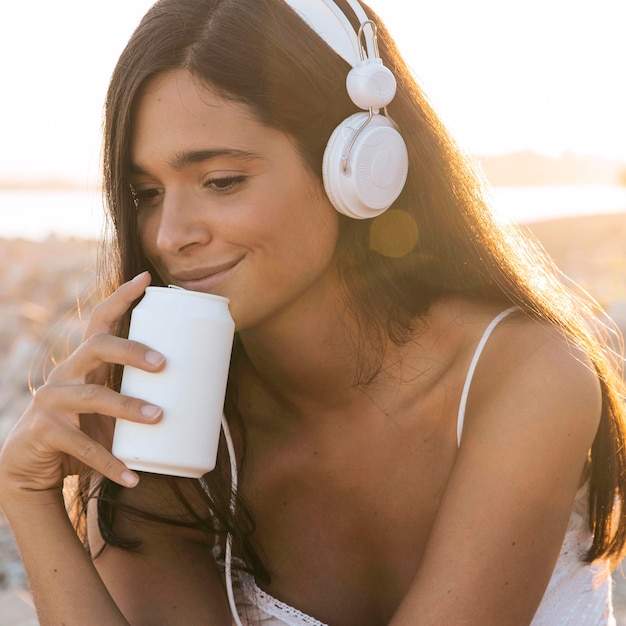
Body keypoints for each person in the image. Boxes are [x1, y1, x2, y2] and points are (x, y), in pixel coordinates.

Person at [1, 0, 625, 624]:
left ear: (358, 166)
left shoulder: (524, 376)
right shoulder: (172, 424)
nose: (169, 235)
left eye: (220, 181)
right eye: (146, 194)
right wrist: (29, 500)